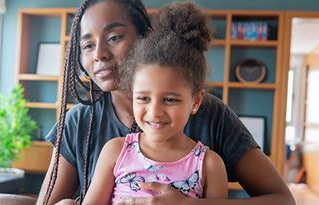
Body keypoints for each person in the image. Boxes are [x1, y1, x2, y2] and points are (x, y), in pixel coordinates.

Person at [37, 0, 295, 204]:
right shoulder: (80, 122)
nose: (100, 54)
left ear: (144, 38)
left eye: (114, 37)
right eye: (87, 45)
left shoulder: (211, 117)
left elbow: (283, 200)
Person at [82, 3, 228, 204]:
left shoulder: (210, 165)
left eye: (169, 100)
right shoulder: (115, 152)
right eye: (143, 98)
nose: (155, 112)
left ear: (196, 101)